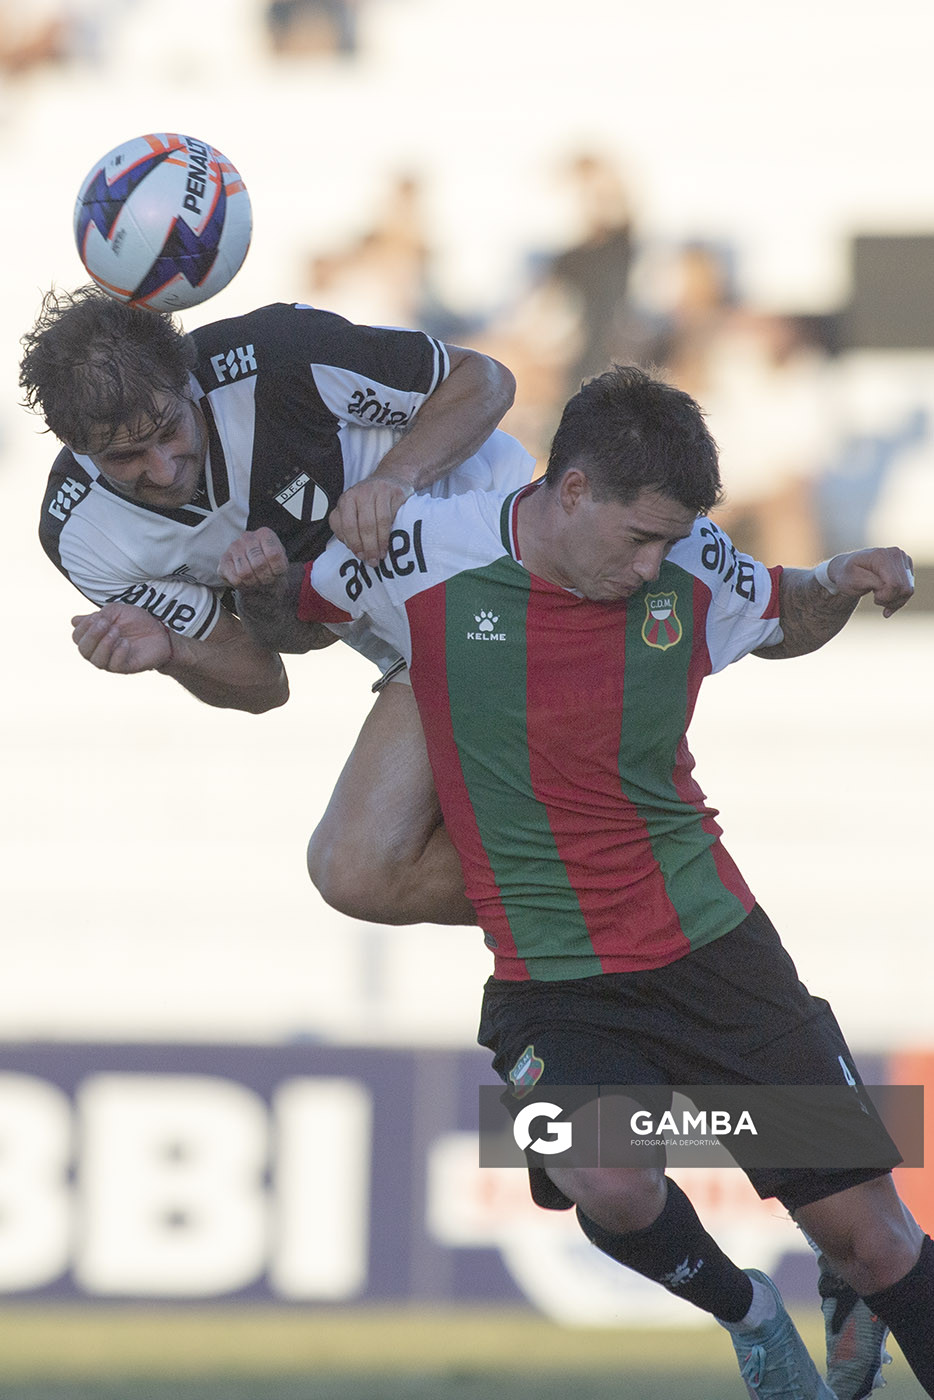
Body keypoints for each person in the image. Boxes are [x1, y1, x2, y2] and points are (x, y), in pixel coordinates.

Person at [222, 365, 930, 1400]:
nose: (654, 565)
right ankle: (749, 1314)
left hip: (716, 951)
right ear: (571, 491)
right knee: (598, 1167)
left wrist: (838, 580)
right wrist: (238, 592)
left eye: (668, 541)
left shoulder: (690, 560)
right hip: (549, 979)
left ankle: (847, 1280)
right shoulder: (426, 549)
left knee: (879, 1242)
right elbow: (297, 615)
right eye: (637, 537)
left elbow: (782, 615)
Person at [19, 284, 530, 926]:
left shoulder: (279, 353)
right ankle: (579, 896)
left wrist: (394, 479)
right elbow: (266, 681)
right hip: (418, 647)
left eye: (169, 429)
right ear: (81, 449)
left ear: (187, 381)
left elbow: (483, 379)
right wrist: (177, 652)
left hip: (508, 553)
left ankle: (589, 901)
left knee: (544, 781)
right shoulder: (82, 535)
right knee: (356, 871)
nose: (165, 466)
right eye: (126, 457)